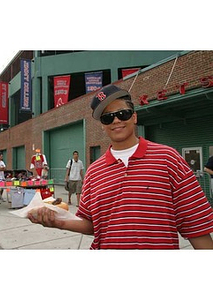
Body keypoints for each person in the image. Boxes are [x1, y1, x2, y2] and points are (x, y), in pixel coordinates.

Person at [28, 84, 213, 249]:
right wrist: (57, 221)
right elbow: (91, 224)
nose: (116, 120)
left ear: (134, 117)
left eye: (122, 114)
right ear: (102, 126)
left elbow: (196, 225)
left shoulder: (168, 159)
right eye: (107, 118)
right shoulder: (94, 172)